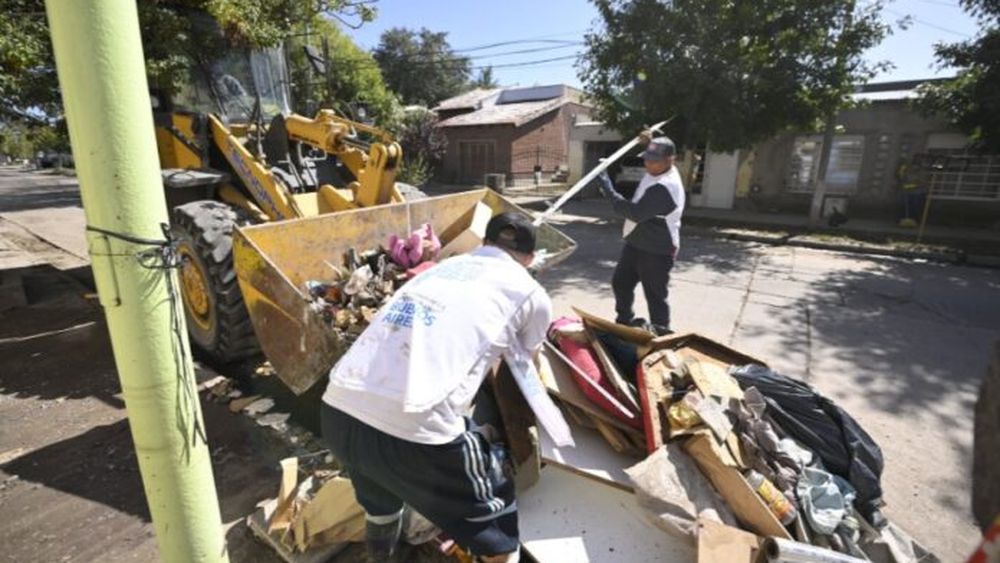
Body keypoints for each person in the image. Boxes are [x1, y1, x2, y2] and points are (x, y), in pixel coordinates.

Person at [319, 212, 552, 562]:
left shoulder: (442, 268)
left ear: (484, 243)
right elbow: (524, 368)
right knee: (497, 528)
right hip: (417, 433)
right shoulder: (531, 293)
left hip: (339, 411)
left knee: (380, 499)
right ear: (530, 259)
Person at [598, 134, 685, 335]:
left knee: (655, 296)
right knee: (621, 283)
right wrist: (650, 140)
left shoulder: (666, 187)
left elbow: (634, 213)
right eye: (647, 159)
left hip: (657, 249)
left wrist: (606, 187)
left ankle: (661, 336)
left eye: (654, 161)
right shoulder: (659, 170)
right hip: (636, 242)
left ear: (670, 160)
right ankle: (624, 323)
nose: (648, 164)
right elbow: (658, 150)